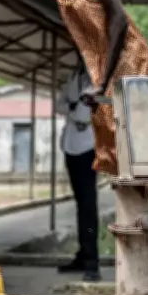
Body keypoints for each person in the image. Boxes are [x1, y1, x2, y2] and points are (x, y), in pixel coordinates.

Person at [42, 0, 148, 176]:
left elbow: (118, 18)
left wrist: (103, 80)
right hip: (99, 62)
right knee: (108, 145)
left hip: (127, 57)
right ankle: (126, 211)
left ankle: (143, 202)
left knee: (132, 144)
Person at [55, 60, 100, 282]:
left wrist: (73, 107)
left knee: (88, 205)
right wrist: (76, 105)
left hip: (89, 146)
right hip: (71, 144)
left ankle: (92, 262)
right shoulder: (74, 77)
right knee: (81, 205)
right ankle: (82, 256)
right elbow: (58, 105)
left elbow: (84, 113)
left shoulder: (99, 76)